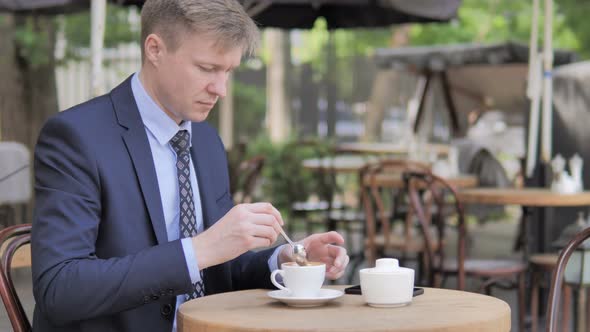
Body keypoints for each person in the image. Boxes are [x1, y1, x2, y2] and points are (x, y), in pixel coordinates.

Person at [31, 1, 349, 331]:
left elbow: (218, 266)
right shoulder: (77, 137)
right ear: (155, 49)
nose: (221, 90)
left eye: (228, 71)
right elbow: (60, 288)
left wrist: (285, 259)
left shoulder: (207, 141)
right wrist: (199, 250)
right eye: (207, 68)